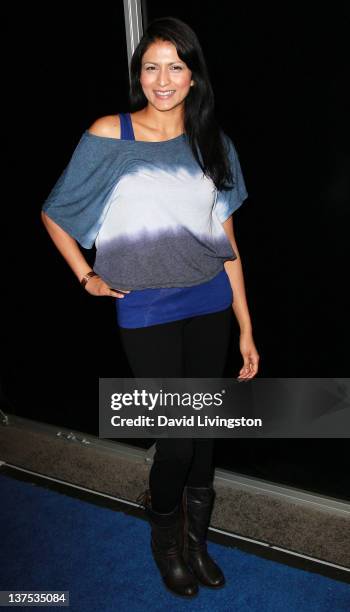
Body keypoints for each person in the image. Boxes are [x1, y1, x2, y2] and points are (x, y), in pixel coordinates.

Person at [41, 16, 259, 599]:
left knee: (204, 435)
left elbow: (228, 241)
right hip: (146, 309)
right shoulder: (111, 134)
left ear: (194, 76)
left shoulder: (214, 142)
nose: (163, 79)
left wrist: (245, 327)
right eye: (151, 66)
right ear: (140, 74)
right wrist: (86, 275)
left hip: (210, 299)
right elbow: (55, 212)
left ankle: (197, 544)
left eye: (176, 66)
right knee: (178, 438)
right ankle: (165, 537)